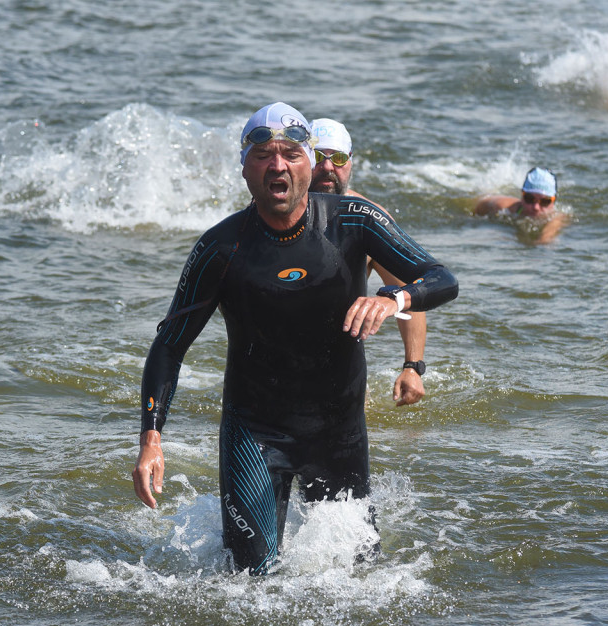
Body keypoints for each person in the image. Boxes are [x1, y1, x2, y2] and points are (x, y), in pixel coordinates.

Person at [132, 103, 458, 576]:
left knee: (360, 580)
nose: (278, 165)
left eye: (289, 153)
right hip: (254, 433)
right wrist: (151, 439)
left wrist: (396, 300)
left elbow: (442, 278)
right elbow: (169, 344)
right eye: (263, 154)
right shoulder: (220, 249)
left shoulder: (355, 222)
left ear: (308, 162)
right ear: (244, 167)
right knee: (248, 584)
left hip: (338, 432)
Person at [309, 117, 428, 406]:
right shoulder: (271, 214)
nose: (328, 167)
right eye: (316, 156)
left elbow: (409, 292)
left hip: (341, 368)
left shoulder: (370, 221)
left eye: (337, 158)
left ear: (350, 162)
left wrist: (413, 367)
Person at [475, 167, 569, 245]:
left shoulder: (556, 219)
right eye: (529, 199)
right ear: (522, 196)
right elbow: (478, 205)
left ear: (553, 201)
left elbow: (545, 240)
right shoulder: (503, 207)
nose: (536, 207)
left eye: (544, 201)